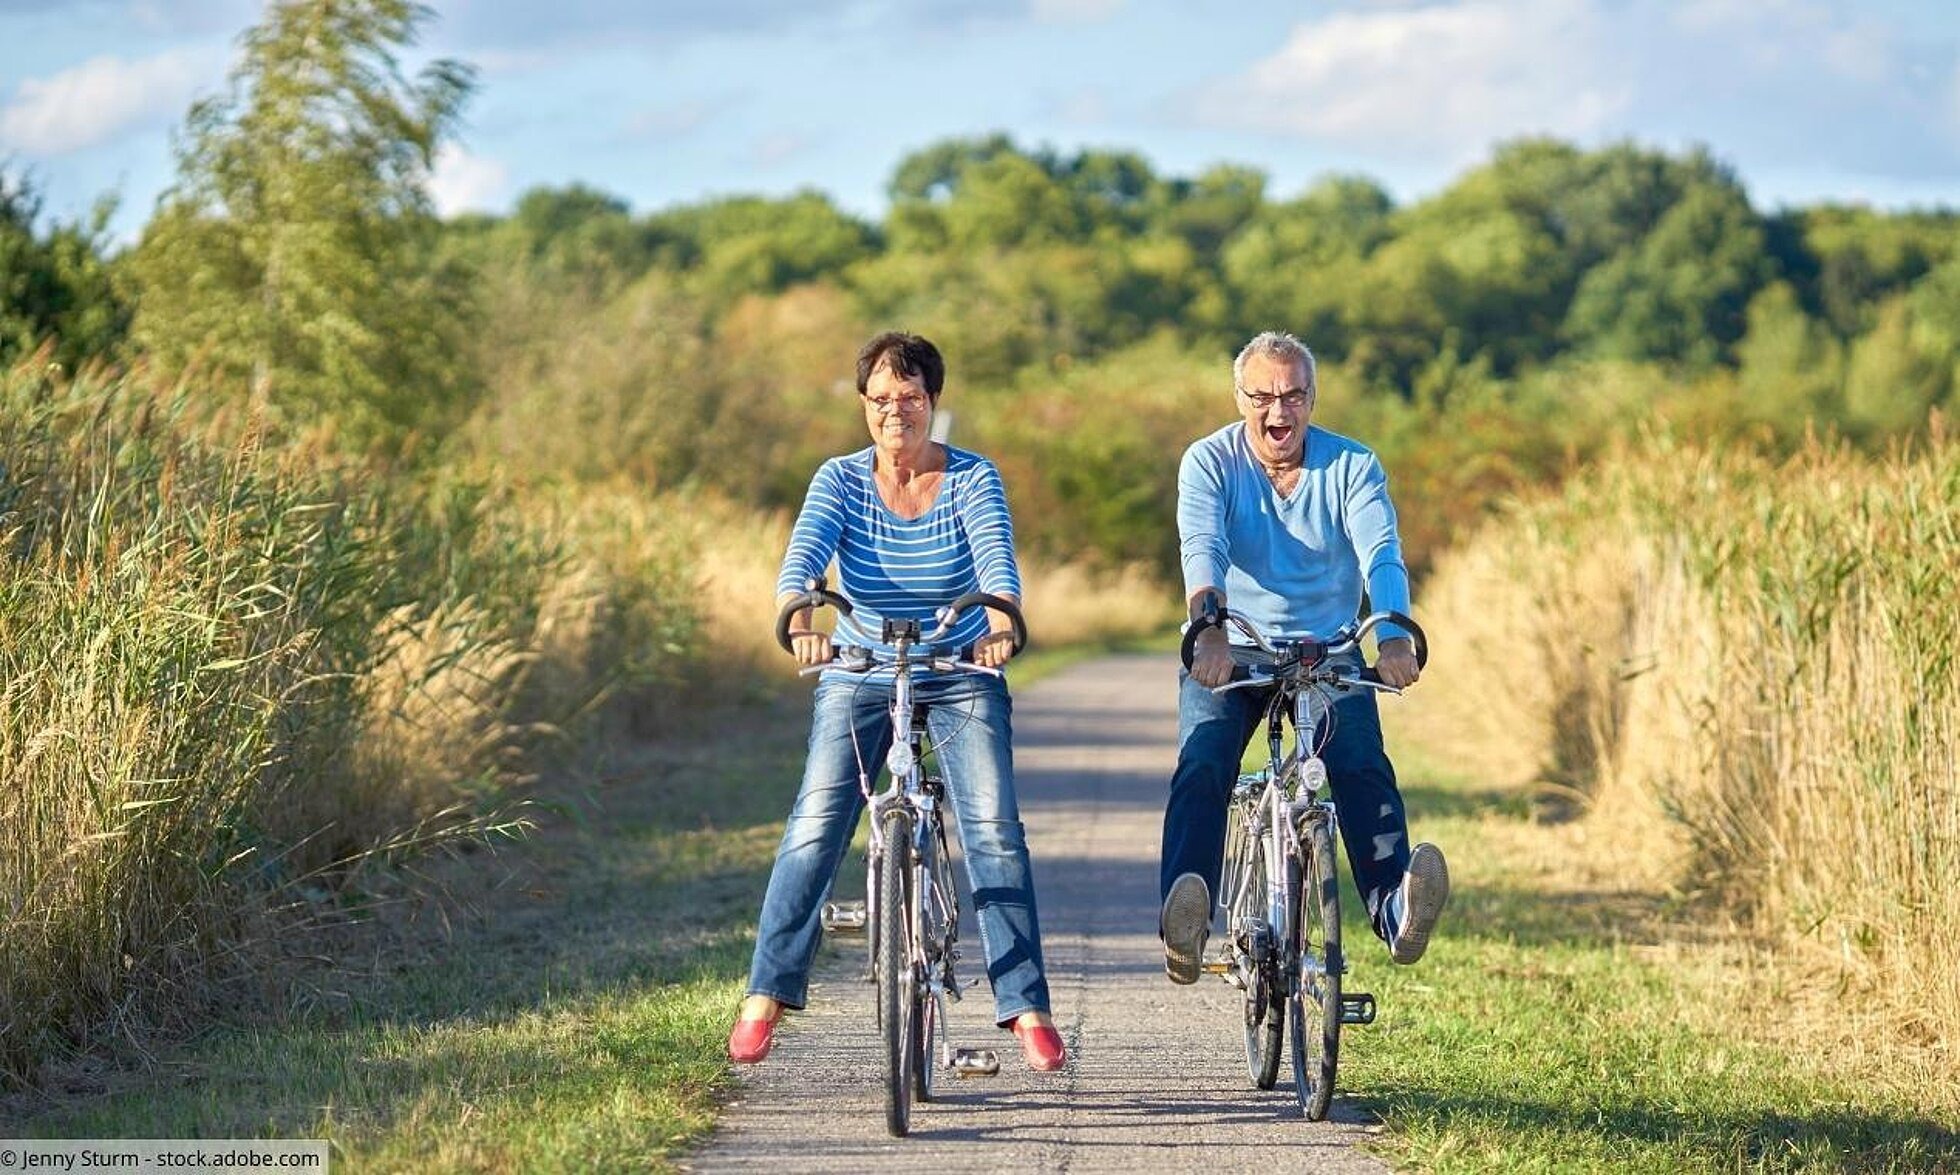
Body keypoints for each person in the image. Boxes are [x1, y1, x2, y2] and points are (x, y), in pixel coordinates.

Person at [726, 331, 1065, 1072]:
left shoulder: (975, 478)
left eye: (909, 397)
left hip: (957, 663)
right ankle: (767, 991)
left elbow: (996, 564)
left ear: (933, 402)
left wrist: (1001, 624)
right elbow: (804, 563)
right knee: (816, 822)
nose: (894, 412)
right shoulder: (839, 480)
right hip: (861, 667)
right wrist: (803, 620)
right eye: (879, 399)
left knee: (994, 827)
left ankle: (1025, 1002)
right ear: (863, 406)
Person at [1160, 330, 1449, 985]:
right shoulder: (1208, 463)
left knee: (1360, 764)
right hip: (1232, 647)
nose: (1277, 411)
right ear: (1240, 399)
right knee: (1203, 759)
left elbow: (1381, 552)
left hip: (1327, 647)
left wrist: (1395, 635)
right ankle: (1184, 920)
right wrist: (1206, 628)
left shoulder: (1352, 465)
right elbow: (1200, 547)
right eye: (1261, 395)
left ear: (1313, 399)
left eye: (1292, 394)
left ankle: (1396, 908)